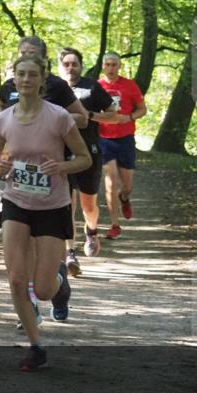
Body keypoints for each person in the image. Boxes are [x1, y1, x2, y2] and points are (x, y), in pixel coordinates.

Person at [0, 54, 92, 371]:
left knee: (42, 288)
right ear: (14, 79)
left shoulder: (59, 117)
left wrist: (62, 166)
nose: (27, 80)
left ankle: (60, 287)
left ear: (43, 80)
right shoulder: (3, 120)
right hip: (16, 202)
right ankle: (36, 346)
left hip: (53, 205)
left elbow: (84, 158)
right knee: (17, 281)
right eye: (21, 74)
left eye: (33, 75)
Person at [57, 47, 115, 275]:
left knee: (88, 205)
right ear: (61, 66)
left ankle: (91, 231)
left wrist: (90, 116)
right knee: (67, 204)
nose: (71, 68)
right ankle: (70, 252)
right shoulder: (53, 89)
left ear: (81, 66)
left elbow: (113, 114)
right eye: (67, 64)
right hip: (61, 153)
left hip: (89, 151)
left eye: (75, 64)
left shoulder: (92, 87)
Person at [98, 52, 147, 240]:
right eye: (107, 64)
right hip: (104, 139)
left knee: (127, 186)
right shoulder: (98, 87)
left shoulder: (129, 85)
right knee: (110, 183)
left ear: (119, 66)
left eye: (114, 65)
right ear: (103, 66)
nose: (110, 68)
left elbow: (142, 109)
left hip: (125, 138)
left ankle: (124, 198)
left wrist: (130, 117)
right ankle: (114, 225)